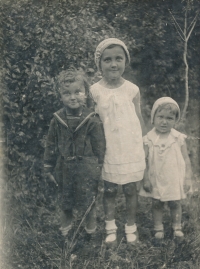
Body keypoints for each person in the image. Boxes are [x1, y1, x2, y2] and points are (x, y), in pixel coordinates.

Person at [90, 38, 146, 246]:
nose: (113, 64)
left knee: (131, 189)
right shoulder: (94, 90)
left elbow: (139, 119)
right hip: (108, 149)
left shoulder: (132, 89)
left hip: (130, 147)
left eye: (118, 59)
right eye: (107, 60)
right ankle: (110, 227)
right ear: (100, 64)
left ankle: (131, 226)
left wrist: (144, 143)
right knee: (110, 190)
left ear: (126, 61)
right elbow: (92, 122)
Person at [43, 68, 106, 238]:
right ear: (61, 96)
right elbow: (51, 145)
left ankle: (90, 233)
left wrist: (99, 165)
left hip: (87, 168)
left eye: (78, 92)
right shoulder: (57, 120)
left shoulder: (91, 119)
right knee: (66, 202)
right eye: (67, 93)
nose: (73, 97)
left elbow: (99, 145)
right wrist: (48, 167)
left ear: (86, 93)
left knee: (89, 201)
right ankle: (66, 233)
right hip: (65, 168)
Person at [139, 97, 192, 241]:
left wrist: (187, 177)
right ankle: (158, 227)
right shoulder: (148, 139)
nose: (164, 121)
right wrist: (145, 179)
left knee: (175, 202)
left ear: (175, 120)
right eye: (160, 117)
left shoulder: (178, 138)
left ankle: (177, 226)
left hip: (174, 177)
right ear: (153, 118)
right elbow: (143, 160)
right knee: (157, 203)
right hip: (155, 177)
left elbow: (186, 159)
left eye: (169, 118)